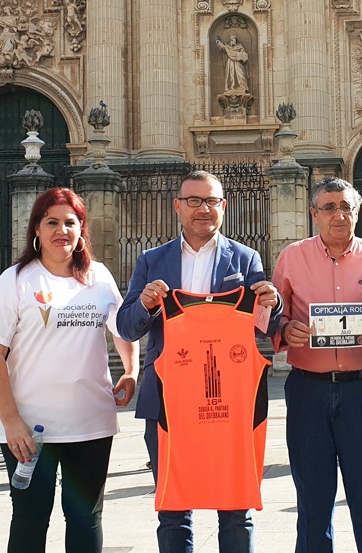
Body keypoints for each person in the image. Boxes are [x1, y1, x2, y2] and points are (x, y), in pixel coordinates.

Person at [116, 170, 281, 553]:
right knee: (173, 510)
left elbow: (264, 323)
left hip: (228, 404)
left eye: (211, 201)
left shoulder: (245, 257)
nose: (202, 209)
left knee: (236, 508)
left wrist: (274, 303)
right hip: (168, 404)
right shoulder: (151, 261)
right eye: (194, 201)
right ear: (177, 206)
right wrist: (143, 303)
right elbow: (126, 327)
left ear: (224, 207)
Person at [0, 187, 139, 553]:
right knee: (30, 521)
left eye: (70, 223)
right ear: (37, 230)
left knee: (85, 519)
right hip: (29, 431)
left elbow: (123, 327)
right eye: (52, 222)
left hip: (91, 424)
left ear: (81, 231)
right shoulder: (16, 280)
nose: (62, 230)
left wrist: (131, 369)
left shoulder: (99, 276)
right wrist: (11, 421)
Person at [272, 177, 362, 553]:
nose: (339, 215)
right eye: (329, 207)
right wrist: (284, 328)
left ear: (358, 213)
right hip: (309, 389)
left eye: (347, 207)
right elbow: (273, 313)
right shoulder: (292, 257)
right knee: (313, 502)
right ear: (314, 214)